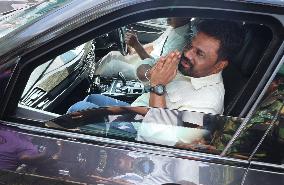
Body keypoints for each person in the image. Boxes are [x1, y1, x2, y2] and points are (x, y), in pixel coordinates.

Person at [68, 19, 244, 115]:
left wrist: (157, 87)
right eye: (190, 45)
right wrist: (156, 75)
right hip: (140, 111)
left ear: (219, 65)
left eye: (200, 53)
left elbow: (158, 137)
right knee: (93, 99)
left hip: (141, 133)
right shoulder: (192, 71)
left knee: (76, 111)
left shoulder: (207, 105)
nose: (188, 54)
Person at [94, 17, 191, 79]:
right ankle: (92, 74)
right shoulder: (173, 28)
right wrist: (133, 50)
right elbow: (153, 45)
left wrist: (136, 44)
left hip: (147, 71)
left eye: (174, 12)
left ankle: (90, 81)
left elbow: (157, 67)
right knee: (112, 55)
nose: (168, 14)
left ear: (184, 17)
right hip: (147, 59)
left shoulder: (181, 39)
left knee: (112, 65)